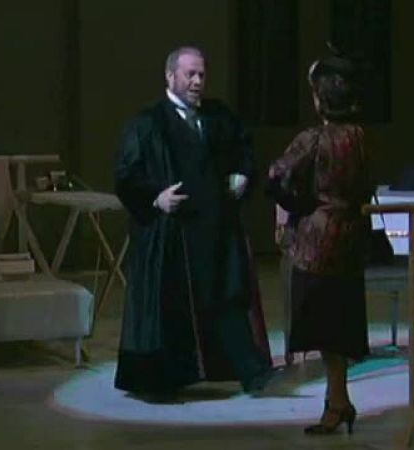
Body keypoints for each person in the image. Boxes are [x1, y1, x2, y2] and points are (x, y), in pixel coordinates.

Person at [113, 46, 276, 398]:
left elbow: (244, 151)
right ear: (170, 76)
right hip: (174, 235)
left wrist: (243, 174)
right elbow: (126, 176)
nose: (197, 81)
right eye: (190, 74)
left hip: (216, 229)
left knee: (228, 297)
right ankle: (165, 382)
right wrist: (155, 198)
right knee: (172, 309)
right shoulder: (149, 123)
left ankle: (252, 372)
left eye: (201, 74)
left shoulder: (218, 116)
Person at [266, 52, 374, 433]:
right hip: (351, 240)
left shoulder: (313, 139)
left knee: (327, 329)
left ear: (320, 99)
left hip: (318, 244)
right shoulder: (360, 138)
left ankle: (337, 404)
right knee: (339, 330)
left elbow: (275, 177)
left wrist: (298, 205)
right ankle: (338, 401)